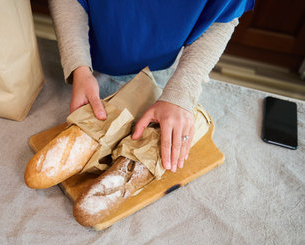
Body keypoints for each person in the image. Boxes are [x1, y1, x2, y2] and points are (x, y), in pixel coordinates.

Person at [49, 0, 254, 173]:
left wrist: (182, 91)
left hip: (168, 70)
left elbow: (223, 15)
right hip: (87, 57)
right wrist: (78, 65)